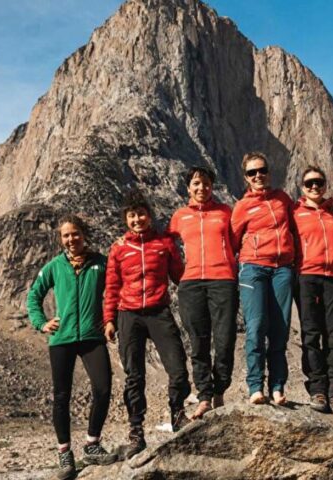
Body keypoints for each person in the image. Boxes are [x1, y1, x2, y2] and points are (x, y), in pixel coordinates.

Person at [26, 214, 117, 480]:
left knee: (103, 388)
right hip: (62, 339)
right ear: (61, 239)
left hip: (92, 336)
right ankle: (65, 453)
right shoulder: (54, 266)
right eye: (66, 235)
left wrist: (110, 319)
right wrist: (41, 322)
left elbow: (114, 291)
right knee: (62, 396)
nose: (71, 239)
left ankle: (92, 444)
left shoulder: (101, 263)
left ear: (83, 234)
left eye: (75, 233)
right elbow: (34, 295)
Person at [103, 193, 191, 459]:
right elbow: (111, 286)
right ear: (126, 220)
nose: (137, 219)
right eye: (132, 215)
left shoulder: (164, 243)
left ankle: (177, 413)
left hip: (159, 311)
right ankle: (136, 431)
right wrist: (108, 319)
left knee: (177, 367)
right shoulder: (118, 248)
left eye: (141, 214)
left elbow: (180, 276)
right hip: (128, 315)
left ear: (149, 216)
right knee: (134, 376)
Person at [168, 166, 239, 419]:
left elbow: (236, 242)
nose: (201, 188)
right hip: (191, 285)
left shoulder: (225, 212)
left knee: (224, 340)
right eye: (196, 183)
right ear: (188, 188)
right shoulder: (179, 216)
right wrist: (181, 275)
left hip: (223, 281)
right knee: (198, 342)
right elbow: (168, 247)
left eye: (206, 183)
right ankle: (205, 396)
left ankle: (220, 389)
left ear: (212, 187)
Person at [230, 151, 295, 405]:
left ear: (269, 172)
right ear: (246, 177)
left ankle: (277, 387)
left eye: (262, 170)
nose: (258, 175)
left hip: (282, 269)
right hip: (253, 269)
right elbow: (234, 240)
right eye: (252, 172)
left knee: (280, 329)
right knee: (256, 328)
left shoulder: (282, 199)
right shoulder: (243, 206)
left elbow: (295, 228)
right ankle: (255, 387)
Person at [291, 166, 333, 415]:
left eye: (319, 182)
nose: (315, 187)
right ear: (302, 187)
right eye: (309, 183)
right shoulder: (295, 213)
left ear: (325, 185)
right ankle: (317, 389)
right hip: (307, 277)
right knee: (312, 334)